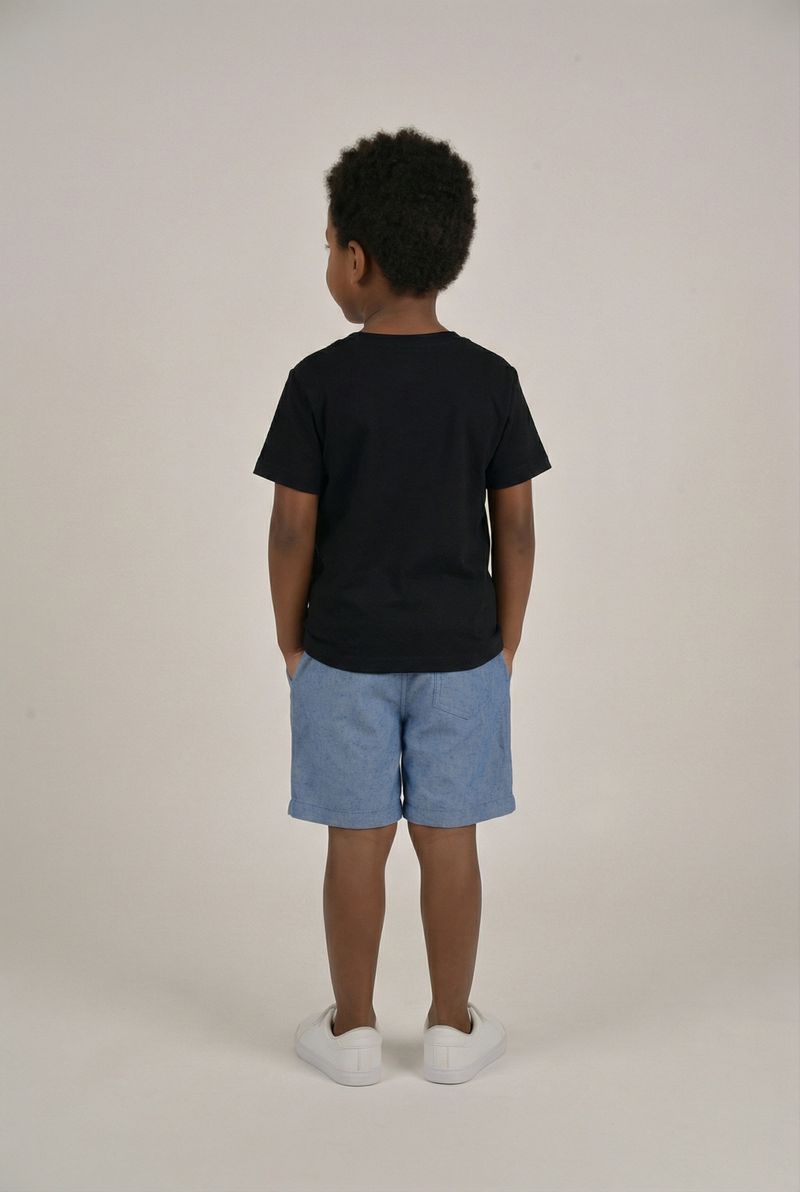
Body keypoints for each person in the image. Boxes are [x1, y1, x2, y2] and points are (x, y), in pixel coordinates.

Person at [253, 126, 552, 1086]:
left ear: (356, 259)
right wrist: (505, 642)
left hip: (342, 655)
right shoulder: (491, 380)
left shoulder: (317, 383)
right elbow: (517, 529)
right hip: (465, 653)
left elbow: (291, 530)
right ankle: (452, 1031)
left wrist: (291, 642)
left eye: (327, 246)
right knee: (450, 842)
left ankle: (352, 1034)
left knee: (356, 843)